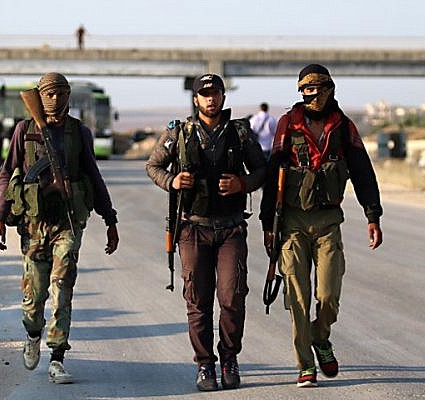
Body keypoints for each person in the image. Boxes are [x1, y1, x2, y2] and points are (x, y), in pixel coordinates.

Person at [260, 63, 383, 388]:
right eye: (305, 90)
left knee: (328, 295)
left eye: (316, 88)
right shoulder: (289, 124)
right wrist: (266, 222)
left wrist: (373, 215)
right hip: (292, 222)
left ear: (329, 89)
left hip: (329, 221)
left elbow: (362, 172)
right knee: (297, 296)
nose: (310, 95)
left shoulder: (343, 127)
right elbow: (273, 173)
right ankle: (305, 364)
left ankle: (320, 336)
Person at [0, 72, 119, 384]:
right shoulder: (25, 130)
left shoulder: (79, 132)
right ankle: (33, 334)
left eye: (61, 93)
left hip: (68, 221)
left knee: (62, 288)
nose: (54, 99)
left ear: (68, 96)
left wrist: (110, 218)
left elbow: (94, 173)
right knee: (34, 298)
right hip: (34, 224)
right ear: (39, 95)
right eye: (48, 93)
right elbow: (7, 173)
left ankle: (58, 356)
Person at [146, 73, 266, 391]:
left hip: (230, 229)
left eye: (216, 93)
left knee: (232, 298)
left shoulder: (240, 132)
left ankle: (229, 358)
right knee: (198, 302)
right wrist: (172, 182)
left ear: (224, 97)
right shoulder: (180, 132)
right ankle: (204, 365)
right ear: (196, 99)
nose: (211, 99)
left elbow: (262, 170)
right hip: (193, 228)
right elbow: (153, 166)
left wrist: (243, 183)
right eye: (205, 94)